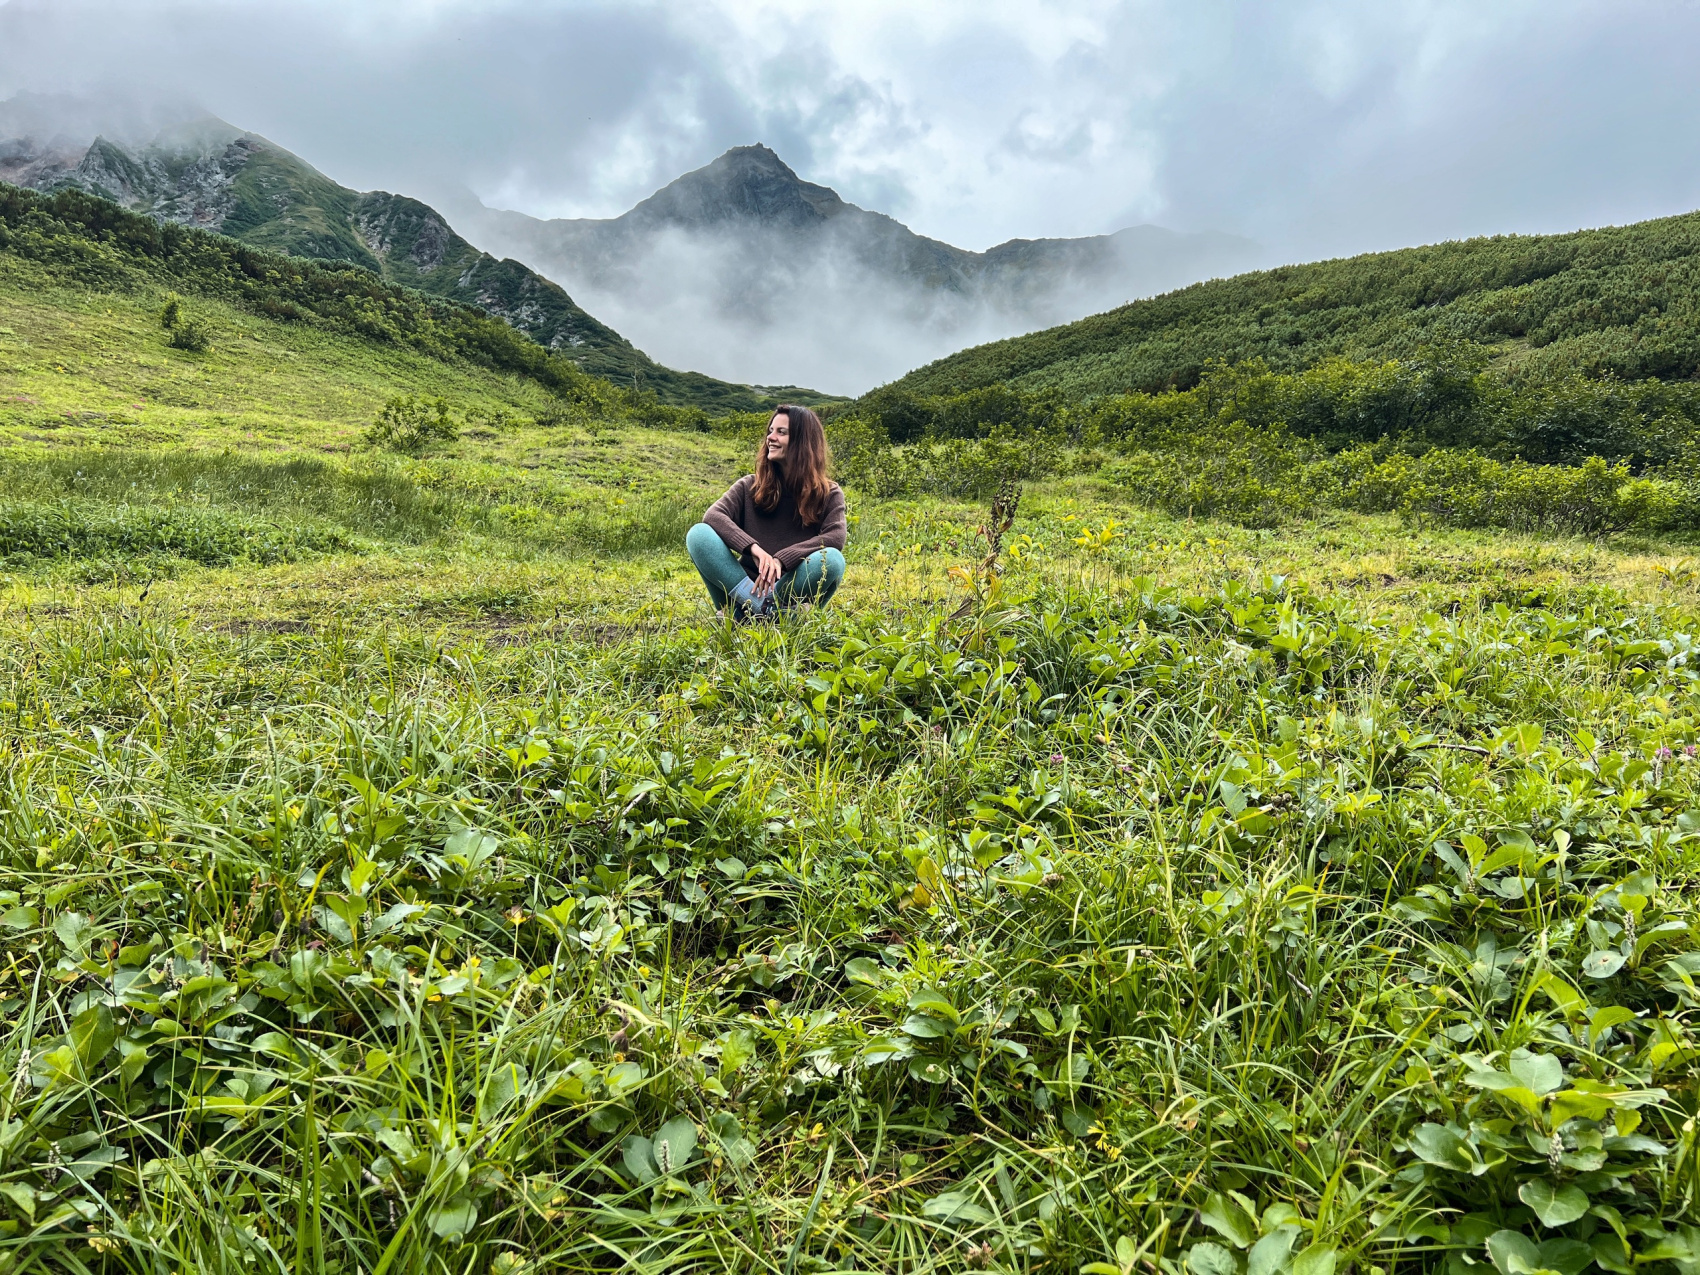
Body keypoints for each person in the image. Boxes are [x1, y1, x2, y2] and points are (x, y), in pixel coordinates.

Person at [686, 404, 847, 619]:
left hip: (791, 587)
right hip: (743, 587)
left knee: (833, 560)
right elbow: (714, 516)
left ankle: (747, 616)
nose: (771, 437)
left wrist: (781, 560)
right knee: (699, 534)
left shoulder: (829, 493)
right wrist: (754, 550)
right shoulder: (750, 485)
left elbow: (835, 537)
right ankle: (770, 612)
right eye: (770, 431)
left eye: (781, 432)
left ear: (803, 441)